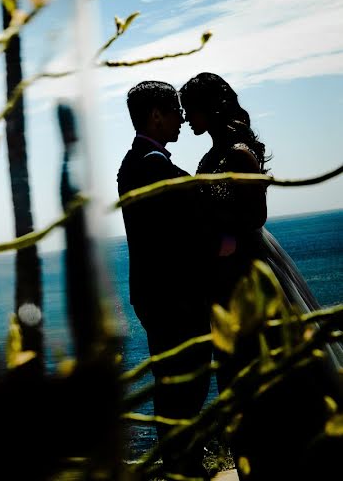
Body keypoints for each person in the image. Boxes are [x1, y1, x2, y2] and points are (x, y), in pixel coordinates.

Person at [179, 71, 343, 480]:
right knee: (238, 367)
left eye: (190, 108)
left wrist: (218, 229)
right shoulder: (208, 157)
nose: (186, 118)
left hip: (249, 269)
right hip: (223, 274)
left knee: (271, 358)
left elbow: (256, 215)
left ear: (210, 108)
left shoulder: (238, 153)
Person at [117, 80, 212, 479]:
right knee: (184, 388)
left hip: (157, 295)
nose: (182, 118)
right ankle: (184, 468)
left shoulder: (133, 162)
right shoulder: (152, 167)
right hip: (173, 298)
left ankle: (183, 464)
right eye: (176, 110)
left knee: (174, 386)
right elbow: (185, 229)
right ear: (156, 115)